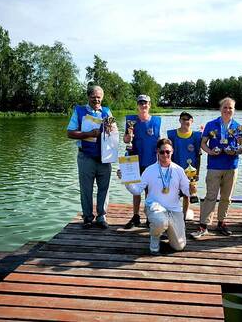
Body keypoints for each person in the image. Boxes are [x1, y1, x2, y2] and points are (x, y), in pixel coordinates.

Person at [119, 138, 195, 255]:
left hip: (173, 210)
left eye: (168, 152)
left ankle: (167, 228)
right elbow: (137, 190)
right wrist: (126, 180)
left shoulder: (179, 170)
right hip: (154, 207)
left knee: (179, 246)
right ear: (157, 152)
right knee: (160, 221)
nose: (165, 154)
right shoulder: (149, 170)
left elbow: (187, 191)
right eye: (162, 152)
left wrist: (192, 189)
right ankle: (155, 237)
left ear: (172, 152)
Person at [191, 97, 242, 238]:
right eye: (225, 107)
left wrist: (235, 151)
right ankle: (203, 225)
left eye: (230, 108)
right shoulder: (211, 124)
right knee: (210, 196)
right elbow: (203, 143)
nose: (227, 110)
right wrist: (209, 151)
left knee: (226, 197)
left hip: (231, 166)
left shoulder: (238, 127)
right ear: (220, 109)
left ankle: (221, 222)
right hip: (214, 166)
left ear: (234, 110)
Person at [67, 85, 116, 229]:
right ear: (88, 97)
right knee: (86, 189)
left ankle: (102, 216)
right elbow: (69, 133)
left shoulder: (107, 111)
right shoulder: (79, 111)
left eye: (99, 97)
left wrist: (110, 130)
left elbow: (113, 133)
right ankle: (87, 217)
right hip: (85, 156)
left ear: (102, 98)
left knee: (104, 188)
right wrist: (88, 134)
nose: (96, 100)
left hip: (104, 157)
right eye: (94, 97)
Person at [123, 94, 161, 229]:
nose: (143, 106)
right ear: (137, 105)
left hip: (150, 160)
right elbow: (126, 141)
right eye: (140, 103)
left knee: (149, 191)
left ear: (149, 105)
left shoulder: (156, 121)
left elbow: (159, 142)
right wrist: (129, 134)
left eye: (145, 103)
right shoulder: (130, 121)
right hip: (134, 160)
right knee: (135, 190)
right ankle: (135, 216)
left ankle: (149, 217)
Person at [167, 111, 202, 219]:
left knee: (187, 195)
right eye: (183, 119)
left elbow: (199, 155)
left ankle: (183, 216)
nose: (185, 121)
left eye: (188, 119)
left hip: (190, 172)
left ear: (192, 121)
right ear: (179, 120)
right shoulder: (172, 134)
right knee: (173, 195)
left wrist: (198, 173)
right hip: (175, 170)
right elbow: (167, 154)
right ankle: (172, 215)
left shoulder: (197, 136)